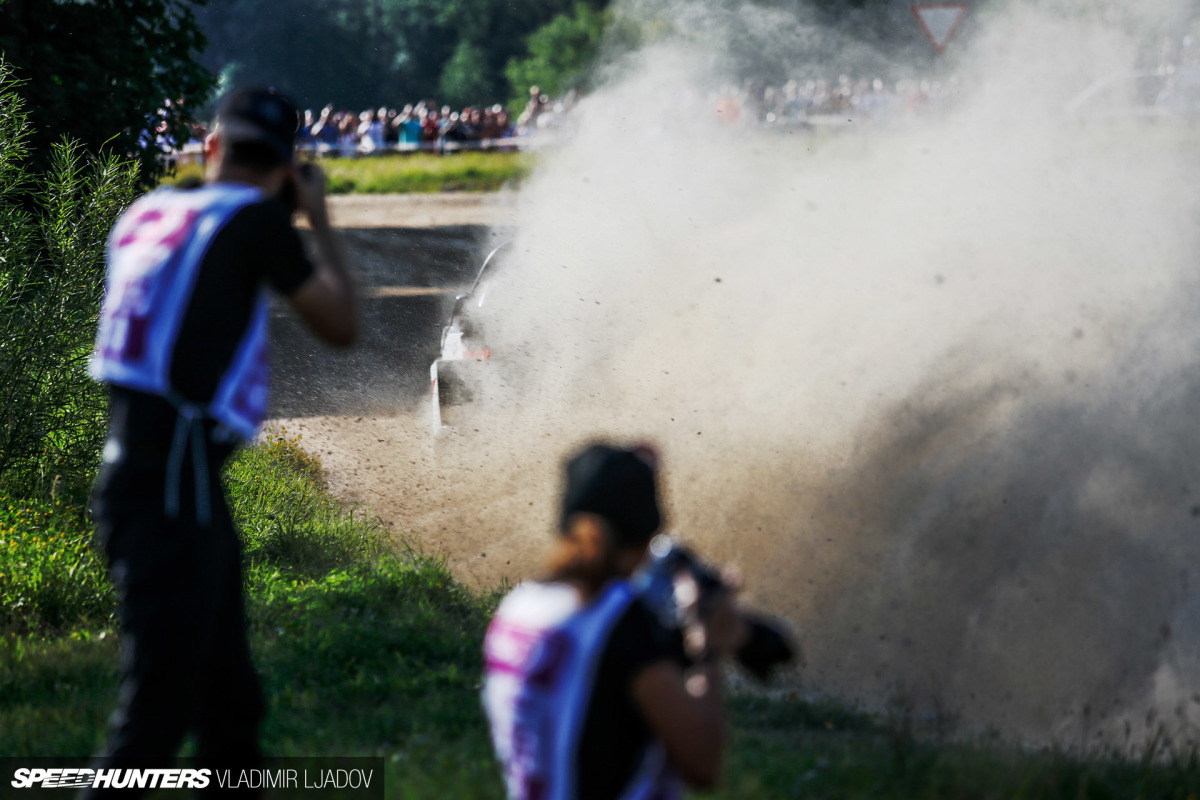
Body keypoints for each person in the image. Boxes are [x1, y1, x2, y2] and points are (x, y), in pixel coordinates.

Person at [85, 86, 356, 793]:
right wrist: (317, 217)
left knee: (231, 706)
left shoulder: (147, 212)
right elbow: (341, 324)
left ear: (211, 146)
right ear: (288, 167)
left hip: (158, 480)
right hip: (174, 491)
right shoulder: (257, 222)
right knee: (154, 717)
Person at [482, 443, 750, 800]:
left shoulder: (518, 609)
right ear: (645, 538)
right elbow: (702, 764)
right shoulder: (618, 622)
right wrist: (708, 650)